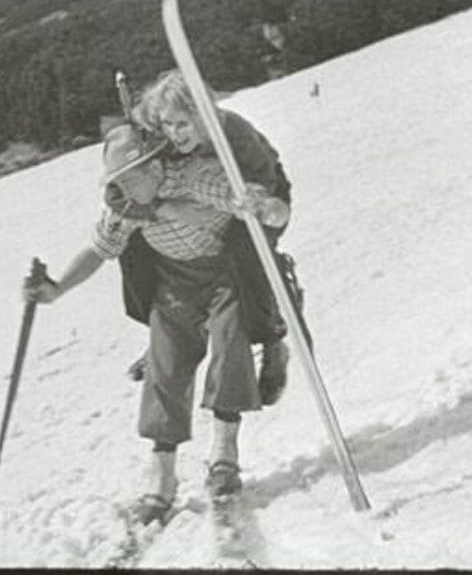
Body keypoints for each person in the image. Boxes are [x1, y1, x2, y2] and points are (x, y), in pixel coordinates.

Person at [24, 123, 289, 524]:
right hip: (174, 283)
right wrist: (57, 288)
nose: (123, 188)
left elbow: (234, 198)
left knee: (229, 345)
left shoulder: (193, 177)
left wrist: (262, 205)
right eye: (117, 181)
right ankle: (162, 476)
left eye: (129, 178)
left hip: (224, 273)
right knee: (165, 366)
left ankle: (224, 454)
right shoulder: (127, 204)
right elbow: (99, 250)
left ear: (153, 168)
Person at [116, 69, 298, 406]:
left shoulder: (234, 131)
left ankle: (272, 339)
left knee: (243, 251)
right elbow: (117, 193)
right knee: (133, 244)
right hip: (196, 199)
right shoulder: (157, 137)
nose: (174, 133)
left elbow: (265, 184)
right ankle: (163, 336)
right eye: (167, 124)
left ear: (203, 114)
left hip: (254, 197)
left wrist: (248, 203)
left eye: (183, 124)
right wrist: (161, 208)